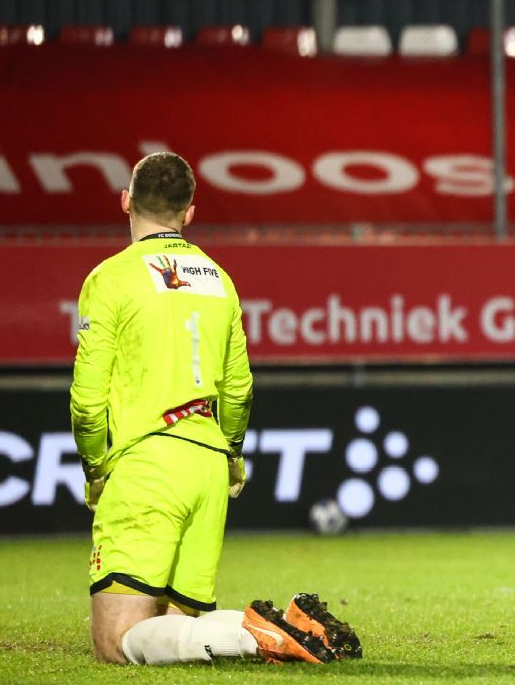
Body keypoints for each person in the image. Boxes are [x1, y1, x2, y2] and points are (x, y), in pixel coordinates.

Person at [71, 152, 361, 665]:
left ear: (125, 202)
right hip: (207, 464)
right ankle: (285, 626)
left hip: (147, 465)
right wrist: (231, 457)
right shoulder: (218, 279)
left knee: (115, 643)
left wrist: (95, 467)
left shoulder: (111, 278)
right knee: (178, 634)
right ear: (190, 213)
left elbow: (87, 399)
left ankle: (256, 635)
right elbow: (239, 389)